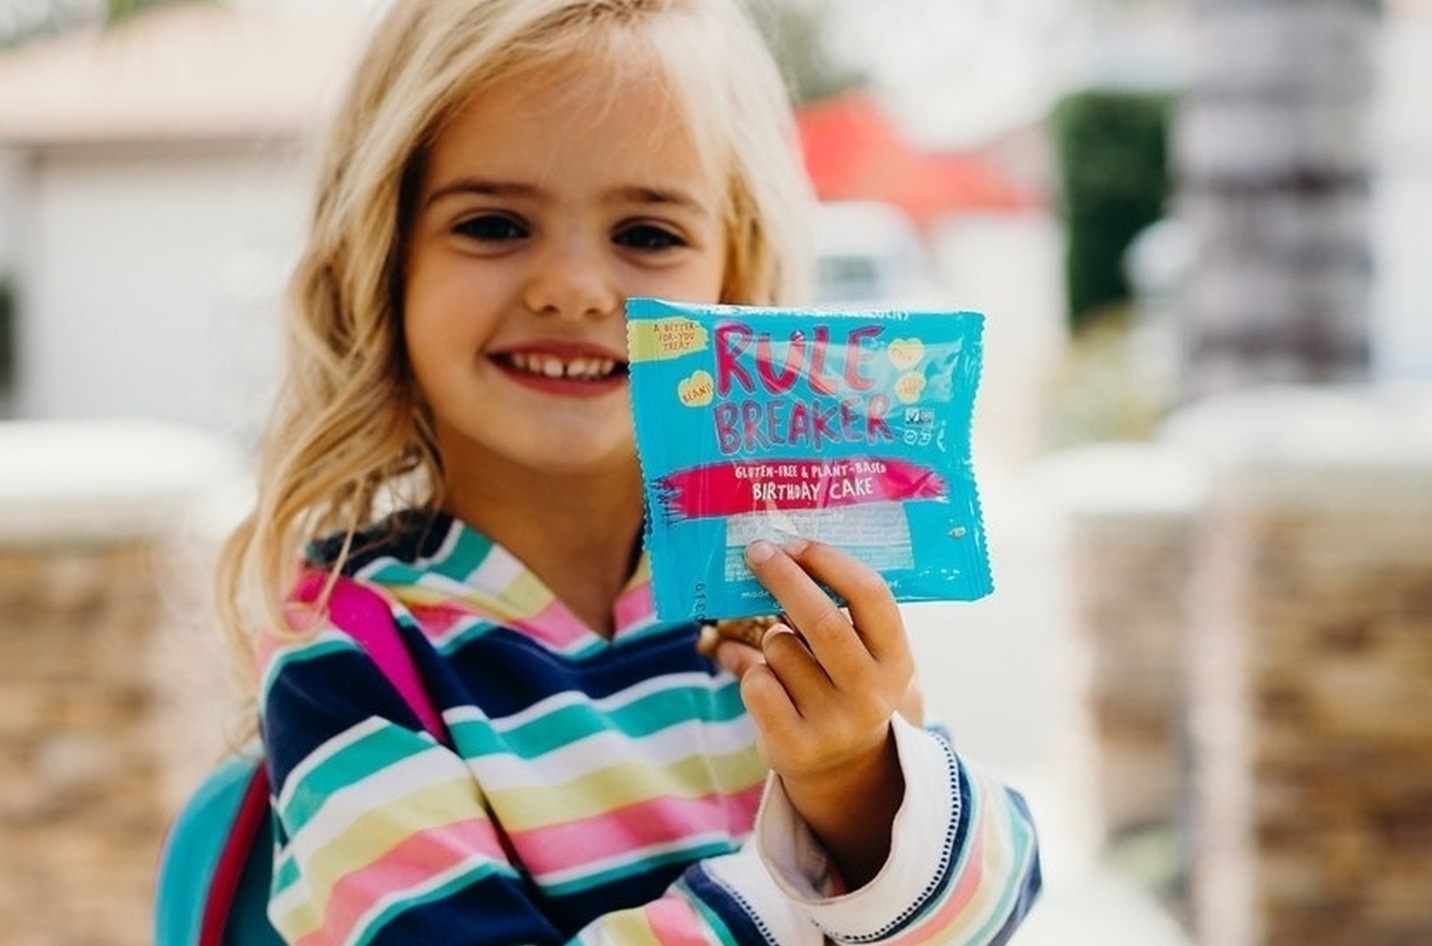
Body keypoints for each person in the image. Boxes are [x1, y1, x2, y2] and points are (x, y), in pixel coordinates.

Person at [214, 0, 1043, 943]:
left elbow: (999, 901)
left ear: (734, 283)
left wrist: (860, 783)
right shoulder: (354, 649)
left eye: (646, 235)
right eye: (491, 223)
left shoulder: (773, 595)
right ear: (385, 256)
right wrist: (810, 885)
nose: (573, 286)